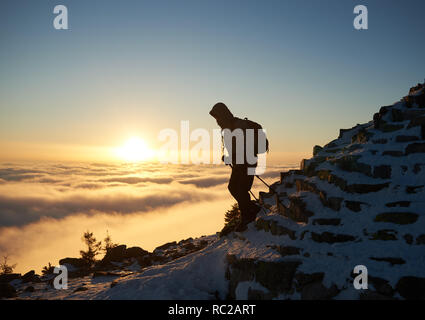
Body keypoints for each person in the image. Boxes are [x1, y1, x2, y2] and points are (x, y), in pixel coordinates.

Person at [209, 102, 262, 232]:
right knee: (234, 187)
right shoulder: (228, 126)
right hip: (241, 163)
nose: (216, 120)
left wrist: (231, 157)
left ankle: (247, 216)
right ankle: (250, 210)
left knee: (241, 189)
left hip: (247, 162)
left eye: (217, 117)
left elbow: (242, 147)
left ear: (222, 114)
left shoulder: (237, 126)